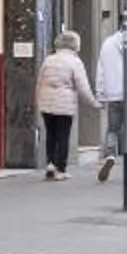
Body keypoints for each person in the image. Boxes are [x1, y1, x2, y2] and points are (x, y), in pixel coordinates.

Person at [33, 28, 99, 180]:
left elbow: (40, 82)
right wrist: (94, 103)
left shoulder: (48, 60)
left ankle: (50, 162)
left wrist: (39, 100)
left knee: (51, 133)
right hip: (64, 104)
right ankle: (60, 169)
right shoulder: (75, 62)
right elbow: (83, 87)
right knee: (63, 135)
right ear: (75, 45)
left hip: (46, 102)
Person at [91, 22, 127, 184]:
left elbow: (101, 69)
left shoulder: (107, 44)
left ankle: (109, 154)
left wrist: (101, 93)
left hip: (113, 92)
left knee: (113, 128)